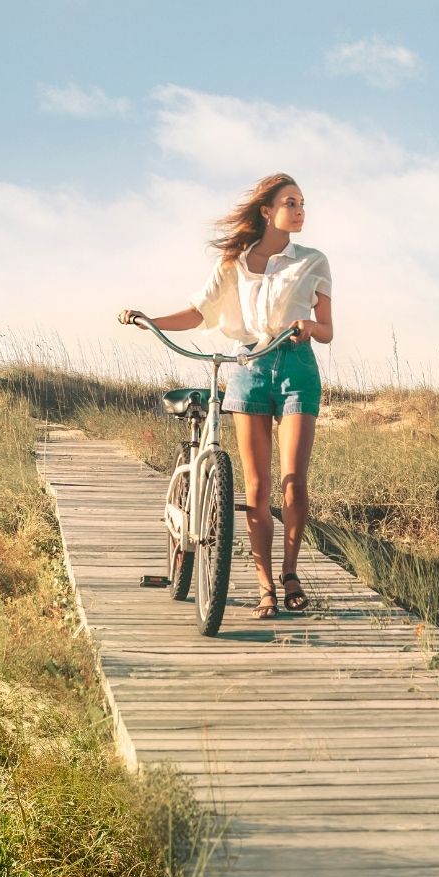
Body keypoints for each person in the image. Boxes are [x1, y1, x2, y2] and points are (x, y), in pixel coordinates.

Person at [120, 172, 331, 617]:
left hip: (297, 367)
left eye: (302, 203)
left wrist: (309, 326)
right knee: (256, 488)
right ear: (266, 211)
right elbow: (199, 313)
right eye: (290, 203)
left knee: (294, 483)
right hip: (248, 368)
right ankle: (265, 586)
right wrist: (150, 319)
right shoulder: (233, 263)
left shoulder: (313, 260)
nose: (299, 210)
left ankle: (290, 573)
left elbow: (328, 330)